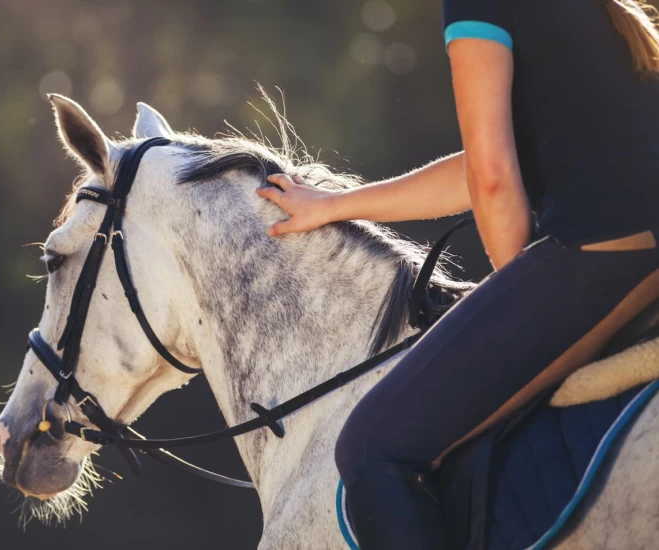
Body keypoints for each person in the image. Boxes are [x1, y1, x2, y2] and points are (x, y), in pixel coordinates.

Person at [256, 0, 659, 548]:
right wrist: (334, 204)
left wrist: (510, 285)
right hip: (637, 245)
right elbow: (483, 166)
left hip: (599, 253)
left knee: (372, 447)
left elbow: (493, 177)